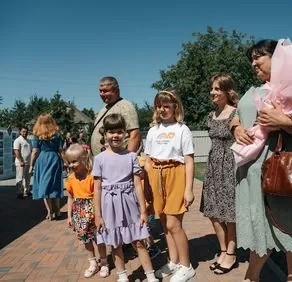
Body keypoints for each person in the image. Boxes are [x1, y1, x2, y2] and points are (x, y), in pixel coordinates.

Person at [231, 39, 292, 282]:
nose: (253, 63)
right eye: (250, 59)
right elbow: (236, 115)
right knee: (261, 226)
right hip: (255, 171)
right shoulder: (253, 91)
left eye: (258, 57)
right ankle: (252, 277)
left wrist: (283, 122)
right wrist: (236, 128)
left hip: (289, 168)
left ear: (279, 57)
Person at [93, 113, 158, 282]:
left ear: (125, 134)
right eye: (111, 132)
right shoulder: (99, 159)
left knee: (138, 240)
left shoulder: (131, 157)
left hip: (129, 203)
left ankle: (150, 275)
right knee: (115, 243)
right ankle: (122, 275)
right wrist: (98, 215)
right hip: (109, 205)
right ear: (105, 134)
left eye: (119, 132)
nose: (115, 135)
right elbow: (97, 188)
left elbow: (137, 185)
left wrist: (143, 211)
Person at [145, 89, 196, 282]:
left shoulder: (182, 129)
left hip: (176, 174)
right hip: (156, 175)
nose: (162, 109)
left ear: (176, 107)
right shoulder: (152, 130)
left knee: (175, 224)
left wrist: (189, 189)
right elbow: (148, 159)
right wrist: (149, 185)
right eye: (159, 106)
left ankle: (186, 265)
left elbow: (189, 160)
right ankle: (173, 261)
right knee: (165, 223)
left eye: (166, 105)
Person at [199, 73, 238, 274]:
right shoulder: (211, 115)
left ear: (227, 91)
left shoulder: (236, 113)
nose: (213, 92)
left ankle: (231, 253)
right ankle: (223, 250)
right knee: (213, 212)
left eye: (217, 88)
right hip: (213, 167)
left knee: (229, 213)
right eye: (212, 88)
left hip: (230, 167)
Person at [64, 144, 109, 278]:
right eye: (68, 162)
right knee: (86, 240)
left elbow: (97, 195)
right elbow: (70, 197)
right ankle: (92, 263)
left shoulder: (92, 176)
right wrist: (69, 216)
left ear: (84, 159)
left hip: (93, 209)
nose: (71, 165)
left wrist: (99, 213)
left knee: (99, 238)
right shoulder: (71, 179)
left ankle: (104, 262)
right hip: (79, 211)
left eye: (74, 161)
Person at [90, 76, 142, 156]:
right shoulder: (104, 108)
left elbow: (134, 135)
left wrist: (128, 159)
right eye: (100, 91)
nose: (102, 94)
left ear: (116, 91)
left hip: (120, 160)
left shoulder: (125, 106)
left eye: (106, 91)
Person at [29, 114, 64, 221]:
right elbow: (61, 151)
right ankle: (57, 211)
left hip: (43, 159)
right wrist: (65, 162)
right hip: (54, 159)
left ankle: (50, 212)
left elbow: (35, 152)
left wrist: (31, 165)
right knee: (55, 185)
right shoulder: (57, 135)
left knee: (44, 185)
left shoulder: (37, 135)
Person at [13, 126, 32, 198]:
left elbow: (31, 151)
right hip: (20, 163)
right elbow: (16, 151)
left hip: (28, 163)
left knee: (27, 178)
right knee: (20, 178)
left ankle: (26, 191)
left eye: (26, 131)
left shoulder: (29, 140)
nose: (25, 133)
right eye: (23, 131)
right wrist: (21, 161)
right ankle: (20, 192)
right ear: (20, 132)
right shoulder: (17, 140)